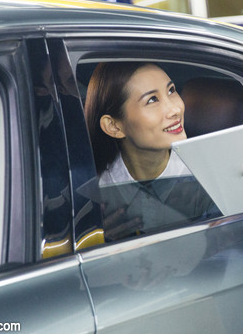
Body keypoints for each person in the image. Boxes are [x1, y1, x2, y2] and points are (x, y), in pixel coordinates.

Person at [84, 61, 220, 240]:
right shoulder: (89, 195)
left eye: (171, 90)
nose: (175, 109)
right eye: (152, 100)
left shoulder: (213, 175)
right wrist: (97, 242)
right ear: (114, 126)